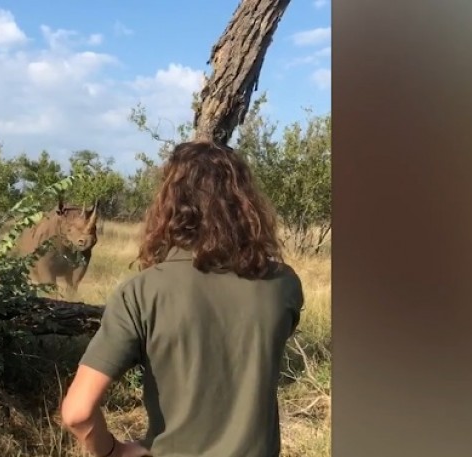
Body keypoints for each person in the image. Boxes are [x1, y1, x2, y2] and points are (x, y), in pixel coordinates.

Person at [60, 140, 304, 457]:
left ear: (168, 207)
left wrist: (113, 451)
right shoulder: (283, 285)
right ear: (245, 204)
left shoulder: (140, 293)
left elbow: (77, 412)